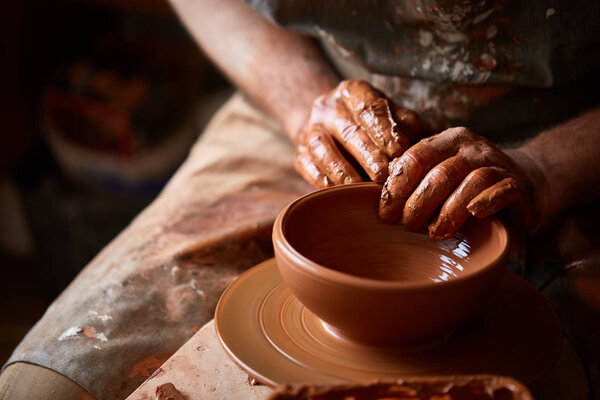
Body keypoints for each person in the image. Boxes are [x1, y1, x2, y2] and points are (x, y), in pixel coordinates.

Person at [2, 0, 600, 399]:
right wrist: (299, 101)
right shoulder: (304, 99)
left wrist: (547, 167)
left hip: (569, 138)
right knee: (45, 388)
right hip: (313, 91)